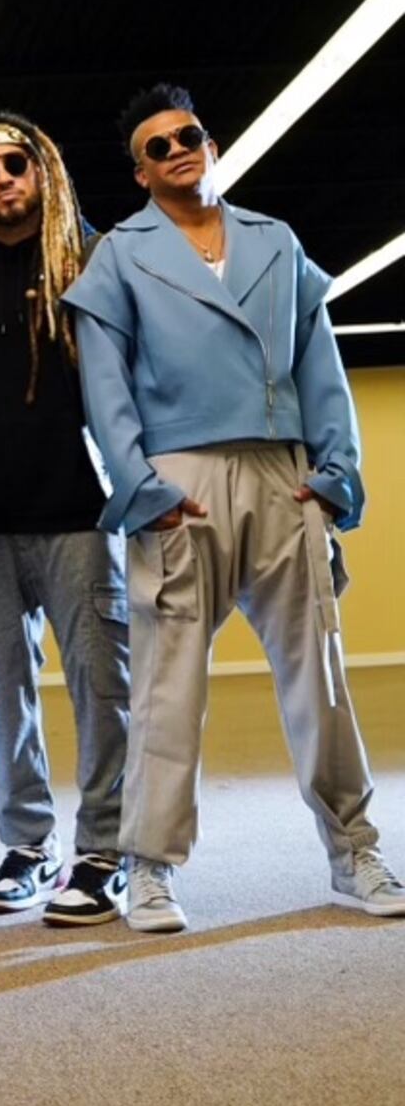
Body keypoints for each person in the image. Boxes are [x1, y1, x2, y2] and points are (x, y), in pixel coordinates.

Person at [63, 83, 405, 931]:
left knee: (320, 675)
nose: (178, 150)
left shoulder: (274, 240)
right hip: (181, 484)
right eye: (157, 146)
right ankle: (149, 865)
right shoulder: (120, 256)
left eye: (189, 135)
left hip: (284, 475)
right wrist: (140, 488)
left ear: (210, 145)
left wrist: (335, 472)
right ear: (140, 173)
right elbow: (104, 389)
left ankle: (353, 848)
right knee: (167, 686)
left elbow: (319, 365)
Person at [0, 112, 130, 925]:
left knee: (103, 683)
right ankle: (28, 845)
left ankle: (106, 849)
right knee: (1, 693)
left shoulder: (93, 260)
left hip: (78, 511)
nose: (2, 180)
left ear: (42, 168)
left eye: (14, 163)